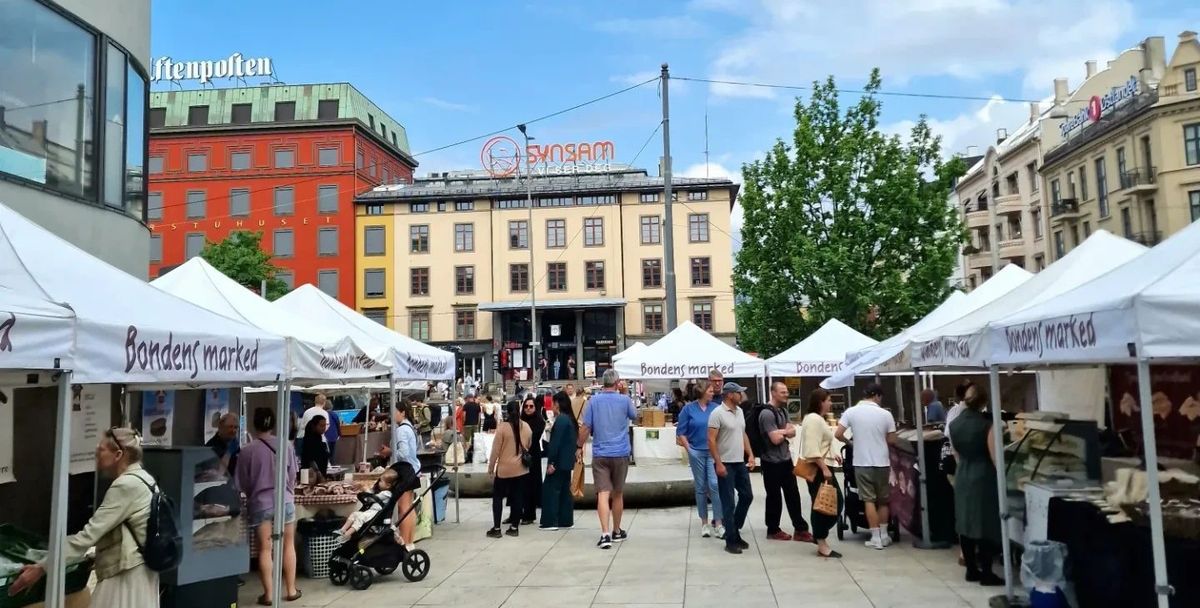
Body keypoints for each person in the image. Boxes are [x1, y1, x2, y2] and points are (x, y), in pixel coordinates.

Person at [7, 428, 160, 606]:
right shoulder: (144, 478)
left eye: (101, 450)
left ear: (118, 454)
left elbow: (87, 536)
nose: (96, 454)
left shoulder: (126, 485)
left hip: (125, 577)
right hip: (140, 571)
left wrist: (42, 567)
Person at [236, 407, 301, 605]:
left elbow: (241, 483)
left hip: (260, 503)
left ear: (253, 424)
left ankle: (269, 595)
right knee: (288, 545)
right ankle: (290, 590)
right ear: (274, 424)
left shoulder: (246, 451)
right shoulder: (286, 446)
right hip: (285, 501)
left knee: (265, 549)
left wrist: (253, 492)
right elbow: (292, 476)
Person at [949, 385, 1004, 586]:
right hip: (983, 476)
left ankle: (971, 569)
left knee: (965, 523)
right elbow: (995, 456)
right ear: (983, 403)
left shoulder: (955, 424)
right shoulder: (987, 425)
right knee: (985, 524)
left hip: (963, 473)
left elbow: (955, 453)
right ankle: (987, 572)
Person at [578, 368, 637, 549]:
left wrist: (579, 446)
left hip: (601, 453)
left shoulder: (593, 401)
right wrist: (625, 393)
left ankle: (604, 534)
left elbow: (586, 428)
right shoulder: (625, 400)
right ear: (618, 382)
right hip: (620, 453)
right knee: (617, 494)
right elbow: (635, 415)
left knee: (602, 494)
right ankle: (617, 531)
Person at [835, 383, 897, 550]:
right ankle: (884, 536)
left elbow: (838, 434)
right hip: (882, 462)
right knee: (883, 500)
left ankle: (875, 537)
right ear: (877, 396)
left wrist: (850, 442)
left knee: (868, 499)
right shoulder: (886, 414)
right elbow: (892, 440)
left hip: (862, 462)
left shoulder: (851, 412)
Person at [760, 381, 812, 542]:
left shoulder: (782, 410)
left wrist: (782, 431)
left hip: (785, 460)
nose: (786, 394)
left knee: (793, 495)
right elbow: (775, 439)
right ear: (773, 393)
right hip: (771, 462)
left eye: (786, 391)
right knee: (774, 497)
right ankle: (773, 529)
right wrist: (785, 432)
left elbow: (793, 431)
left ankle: (800, 529)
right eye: (782, 392)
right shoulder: (766, 414)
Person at [708, 382, 756, 555]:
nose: (741, 395)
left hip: (739, 461)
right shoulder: (717, 414)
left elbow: (742, 434)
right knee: (728, 502)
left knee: (747, 496)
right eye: (738, 393)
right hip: (725, 462)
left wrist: (750, 454)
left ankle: (734, 530)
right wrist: (718, 463)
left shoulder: (740, 412)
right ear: (729, 395)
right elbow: (711, 440)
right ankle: (730, 540)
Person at [675, 379, 724, 539]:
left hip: (712, 453)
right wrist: (690, 449)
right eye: (710, 390)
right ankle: (704, 522)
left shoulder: (716, 409)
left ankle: (718, 522)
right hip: (696, 451)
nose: (712, 392)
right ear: (702, 392)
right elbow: (681, 432)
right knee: (701, 487)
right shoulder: (688, 409)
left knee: (714, 485)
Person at [801, 388, 844, 558]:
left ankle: (820, 536)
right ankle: (821, 540)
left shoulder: (818, 419)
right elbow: (812, 448)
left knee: (826, 504)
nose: (831, 403)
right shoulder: (813, 419)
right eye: (829, 399)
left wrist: (833, 454)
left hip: (823, 466)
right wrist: (824, 468)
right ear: (821, 402)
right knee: (826, 506)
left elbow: (820, 443)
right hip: (819, 469)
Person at [487, 400, 532, 538]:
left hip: (504, 469)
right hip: (520, 469)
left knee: (498, 497)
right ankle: (514, 527)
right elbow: (528, 445)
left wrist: (491, 466)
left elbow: (495, 450)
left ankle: (496, 528)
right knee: (518, 497)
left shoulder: (503, 427)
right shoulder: (526, 427)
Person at [381, 402, 421, 551]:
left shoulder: (402, 430)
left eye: (395, 411)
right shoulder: (410, 427)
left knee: (404, 509)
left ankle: (405, 542)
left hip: (404, 472)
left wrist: (390, 452)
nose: (393, 415)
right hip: (412, 470)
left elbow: (403, 453)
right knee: (409, 508)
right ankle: (410, 541)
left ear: (402, 412)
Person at [541, 391, 578, 530]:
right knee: (564, 492)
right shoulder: (570, 419)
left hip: (558, 462)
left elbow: (555, 444)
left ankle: (550, 521)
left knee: (551, 490)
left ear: (557, 404)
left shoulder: (561, 420)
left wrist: (552, 462)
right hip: (567, 462)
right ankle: (566, 520)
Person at [338, 469, 398, 543]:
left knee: (361, 518)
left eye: (381, 481)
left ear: (388, 485)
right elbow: (372, 496)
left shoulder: (387, 494)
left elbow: (375, 498)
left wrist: (367, 491)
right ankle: (342, 530)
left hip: (376, 513)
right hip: (371, 511)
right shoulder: (381, 491)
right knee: (355, 514)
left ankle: (347, 535)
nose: (378, 482)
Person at [516, 396, 547, 525]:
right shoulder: (520, 419)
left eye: (531, 406)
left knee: (531, 485)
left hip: (532, 456)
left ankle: (529, 514)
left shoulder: (539, 420)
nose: (528, 409)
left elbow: (532, 438)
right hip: (519, 455)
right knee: (519, 485)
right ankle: (517, 512)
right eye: (526, 406)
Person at [462, 393, 483, 459]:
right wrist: (478, 422)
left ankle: (466, 452)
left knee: (467, 439)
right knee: (475, 438)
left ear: (468, 398)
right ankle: (474, 451)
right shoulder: (477, 405)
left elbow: (464, 415)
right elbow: (479, 415)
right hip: (475, 424)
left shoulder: (466, 405)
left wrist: (464, 422)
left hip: (467, 424)